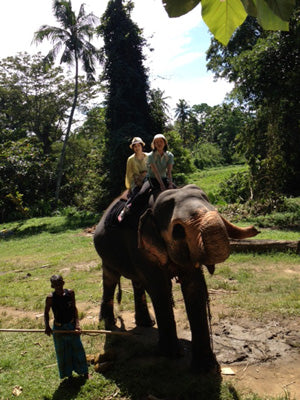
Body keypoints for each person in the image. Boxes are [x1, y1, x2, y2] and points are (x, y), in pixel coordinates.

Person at [44, 274, 90, 380]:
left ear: (63, 283)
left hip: (71, 326)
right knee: (63, 353)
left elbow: (74, 309)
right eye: (56, 285)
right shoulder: (50, 298)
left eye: (60, 284)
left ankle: (84, 372)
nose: (58, 287)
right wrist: (47, 326)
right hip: (58, 329)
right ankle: (68, 375)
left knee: (78, 349)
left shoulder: (70, 293)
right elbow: (46, 313)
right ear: (52, 286)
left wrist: (77, 325)